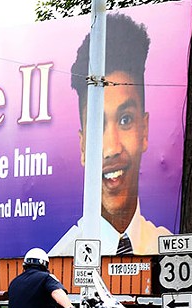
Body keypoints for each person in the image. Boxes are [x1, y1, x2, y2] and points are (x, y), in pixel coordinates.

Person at [49, 13, 171, 257]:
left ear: (144, 130)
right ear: (82, 146)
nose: (112, 148)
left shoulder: (165, 249)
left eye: (125, 120)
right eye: (97, 126)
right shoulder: (61, 258)